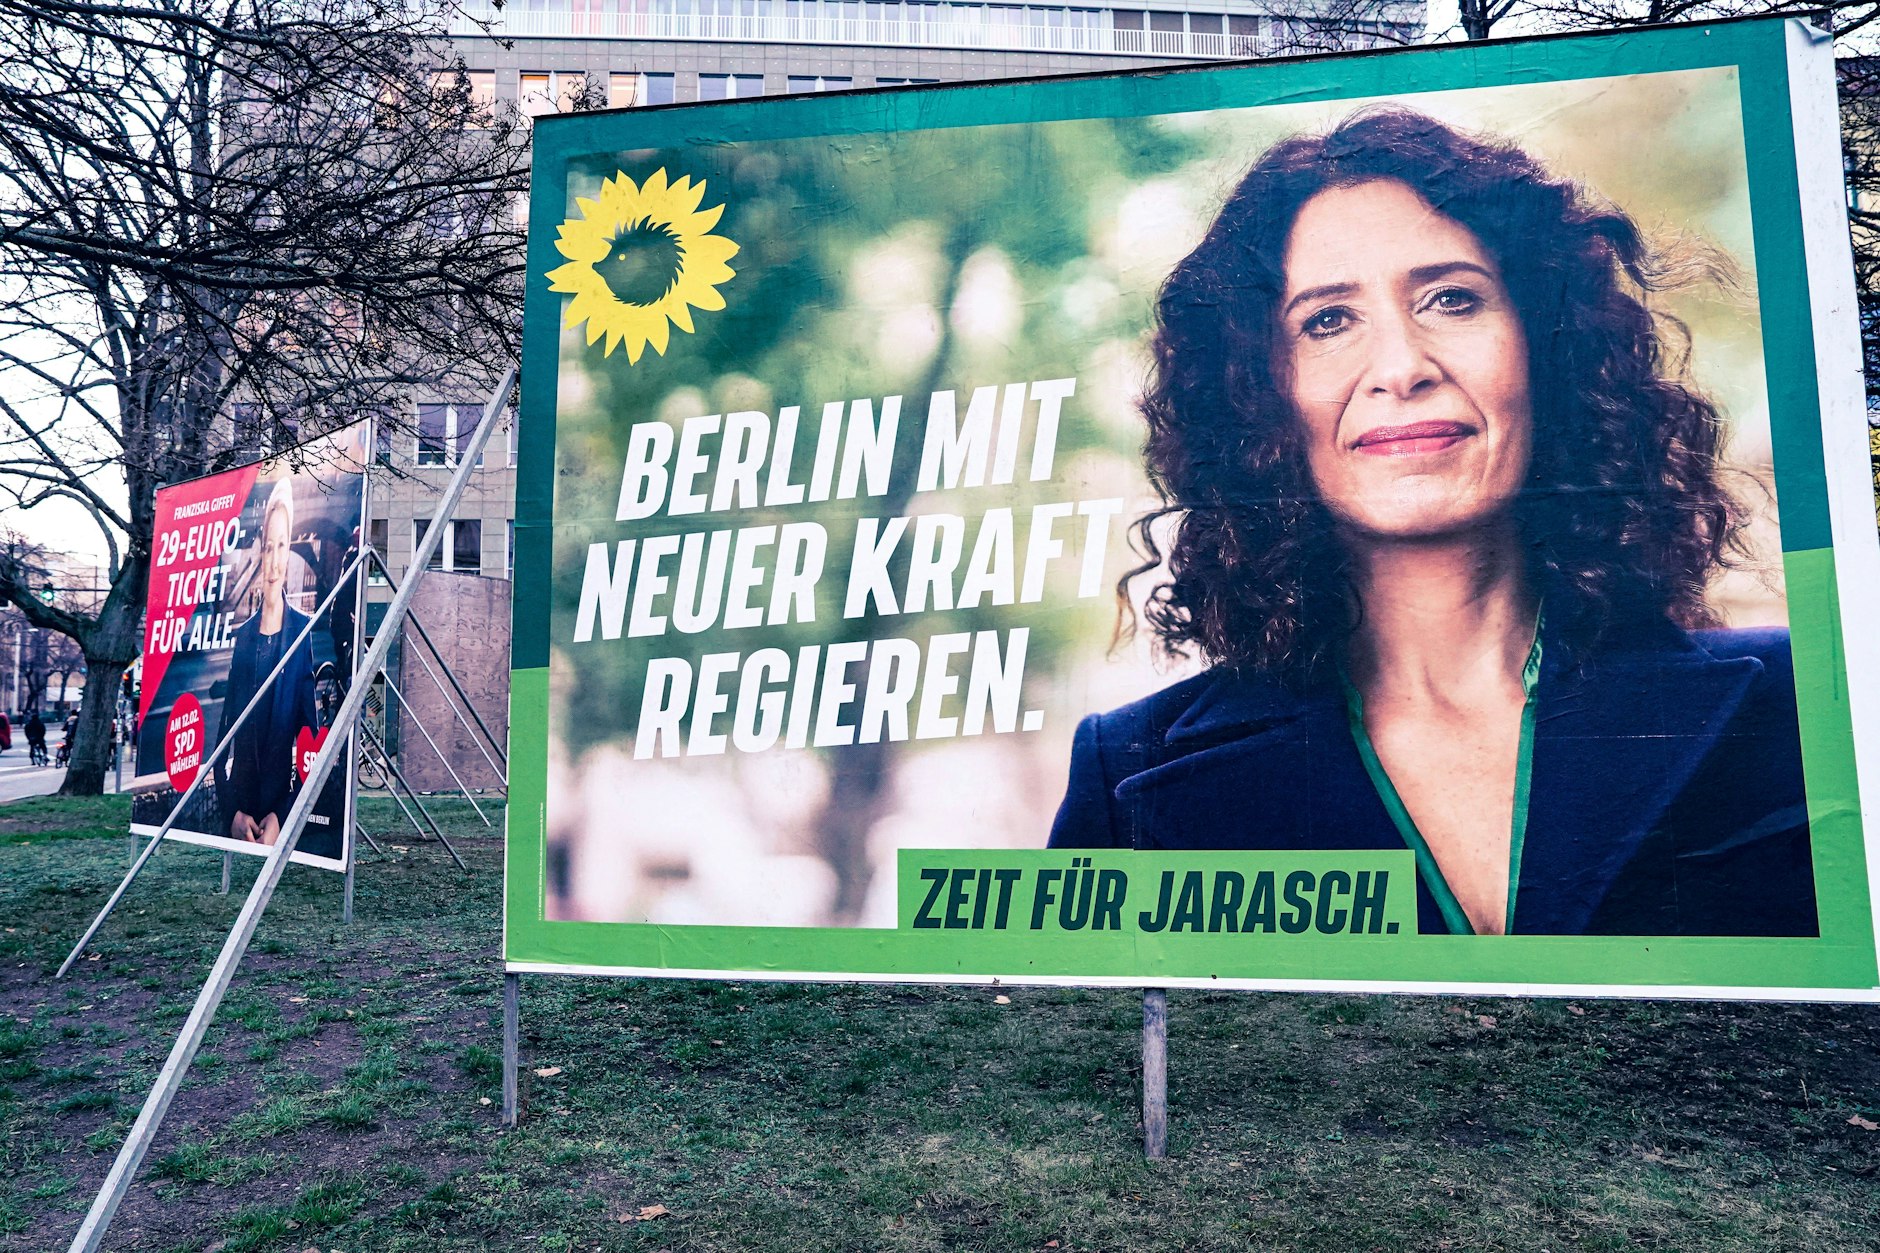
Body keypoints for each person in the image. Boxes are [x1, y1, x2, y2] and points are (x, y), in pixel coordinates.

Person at [1049, 109, 1816, 939]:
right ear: (1256, 394)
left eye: (1452, 299)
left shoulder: (1801, 700)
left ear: (1544, 348)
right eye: (1328, 320)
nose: (1403, 367)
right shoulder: (1129, 769)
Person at [217, 479, 322, 850]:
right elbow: (220, 745)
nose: (275, 560)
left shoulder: (302, 633)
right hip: (240, 814)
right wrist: (232, 814)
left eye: (283, 545)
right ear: (260, 551)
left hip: (278, 812)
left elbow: (311, 743)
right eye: (269, 546)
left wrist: (284, 813)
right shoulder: (242, 638)